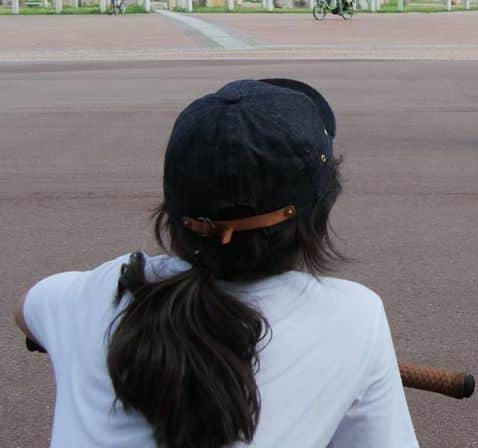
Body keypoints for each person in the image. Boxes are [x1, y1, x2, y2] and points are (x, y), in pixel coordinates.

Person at [15, 79, 418, 448]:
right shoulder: (353, 317)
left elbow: (26, 311)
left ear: (172, 210)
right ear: (319, 212)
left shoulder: (103, 289)